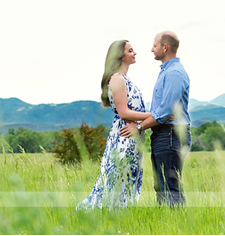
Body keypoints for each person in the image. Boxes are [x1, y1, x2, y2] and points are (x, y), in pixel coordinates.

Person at [76, 40, 151, 209]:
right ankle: (110, 215)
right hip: (124, 137)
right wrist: (154, 116)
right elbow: (123, 112)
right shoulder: (117, 79)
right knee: (119, 178)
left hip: (133, 136)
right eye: (130, 50)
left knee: (130, 178)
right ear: (120, 56)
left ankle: (123, 215)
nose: (135, 53)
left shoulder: (124, 79)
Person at [119, 31, 190, 206]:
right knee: (162, 186)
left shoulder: (174, 73)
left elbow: (165, 111)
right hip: (163, 134)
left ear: (165, 47)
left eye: (155, 45)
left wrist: (139, 127)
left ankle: (177, 228)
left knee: (169, 185)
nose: (152, 49)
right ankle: (168, 225)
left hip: (171, 134)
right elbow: (162, 112)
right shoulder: (167, 71)